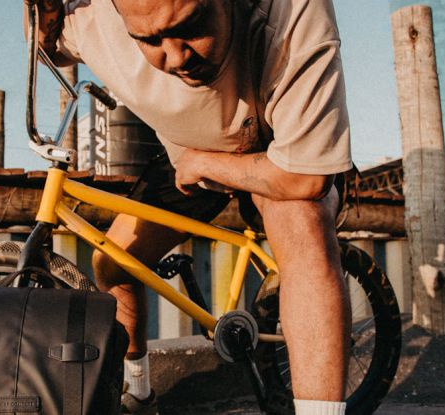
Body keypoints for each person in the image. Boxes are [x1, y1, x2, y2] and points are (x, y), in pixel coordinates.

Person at [27, 0, 352, 413]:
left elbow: (306, 177)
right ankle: (140, 393)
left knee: (304, 225)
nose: (177, 56)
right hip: (192, 156)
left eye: (192, 26)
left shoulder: (294, 13)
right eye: (149, 39)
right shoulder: (97, 19)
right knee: (112, 263)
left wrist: (205, 163)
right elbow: (47, 45)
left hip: (276, 151)